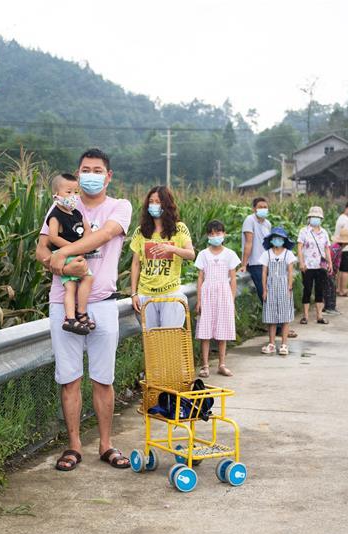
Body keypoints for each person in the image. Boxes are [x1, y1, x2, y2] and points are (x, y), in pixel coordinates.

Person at [36, 148, 132, 472]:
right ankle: (74, 445)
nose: (90, 175)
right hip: (62, 301)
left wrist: (61, 255)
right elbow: (40, 248)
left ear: (108, 176)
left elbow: (102, 237)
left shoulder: (119, 207)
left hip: (102, 303)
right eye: (85, 170)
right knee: (69, 378)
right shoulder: (62, 204)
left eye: (97, 170)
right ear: (77, 175)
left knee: (103, 379)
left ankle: (106, 444)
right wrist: (56, 261)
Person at [129, 186, 195, 329]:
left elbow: (191, 254)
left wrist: (171, 248)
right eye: (151, 202)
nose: (153, 205)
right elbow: (135, 264)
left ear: (166, 204)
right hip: (145, 295)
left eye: (158, 202)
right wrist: (134, 293)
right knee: (152, 343)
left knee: (169, 340)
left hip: (170, 294)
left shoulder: (179, 228)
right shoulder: (140, 232)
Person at [241, 197, 297, 340]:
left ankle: (280, 326)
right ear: (254, 208)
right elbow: (248, 243)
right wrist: (243, 263)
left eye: (265, 206)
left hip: (270, 261)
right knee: (265, 294)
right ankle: (278, 328)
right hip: (256, 263)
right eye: (260, 206)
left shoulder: (267, 223)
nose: (263, 209)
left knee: (275, 294)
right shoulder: (249, 220)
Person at [46, 173, 95, 335]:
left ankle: (78, 315)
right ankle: (72, 317)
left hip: (75, 252)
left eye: (76, 192)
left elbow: (87, 230)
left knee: (83, 280)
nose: (73, 196)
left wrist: (83, 245)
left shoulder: (76, 213)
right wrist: (74, 248)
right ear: (56, 194)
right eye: (68, 192)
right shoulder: (55, 215)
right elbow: (53, 237)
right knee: (73, 285)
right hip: (64, 255)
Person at [195, 220, 240, 377]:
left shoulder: (230, 254)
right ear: (208, 235)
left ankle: (222, 364)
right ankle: (205, 365)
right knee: (205, 331)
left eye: (218, 233)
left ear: (224, 234)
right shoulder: (203, 254)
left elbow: (233, 279)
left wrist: (231, 301)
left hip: (224, 294)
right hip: (207, 293)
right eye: (212, 233)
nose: (215, 236)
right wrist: (199, 300)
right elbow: (200, 278)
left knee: (223, 330)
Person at [260, 226, 297, 356]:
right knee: (271, 317)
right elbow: (264, 272)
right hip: (271, 286)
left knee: (285, 316)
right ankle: (271, 344)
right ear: (271, 240)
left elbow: (290, 272)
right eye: (275, 238)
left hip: (283, 285)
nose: (277, 240)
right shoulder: (267, 254)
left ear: (284, 240)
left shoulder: (288, 254)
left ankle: (284, 344)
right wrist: (264, 289)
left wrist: (289, 287)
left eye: (280, 238)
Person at [297, 206, 332, 325]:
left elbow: (327, 249)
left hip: (321, 266)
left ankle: (319, 315)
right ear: (309, 218)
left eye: (318, 217)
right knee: (307, 289)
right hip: (307, 265)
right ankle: (305, 316)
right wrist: (301, 262)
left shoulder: (324, 232)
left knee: (320, 290)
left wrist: (330, 263)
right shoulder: (304, 231)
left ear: (321, 219)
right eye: (313, 217)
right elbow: (299, 247)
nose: (315, 219)